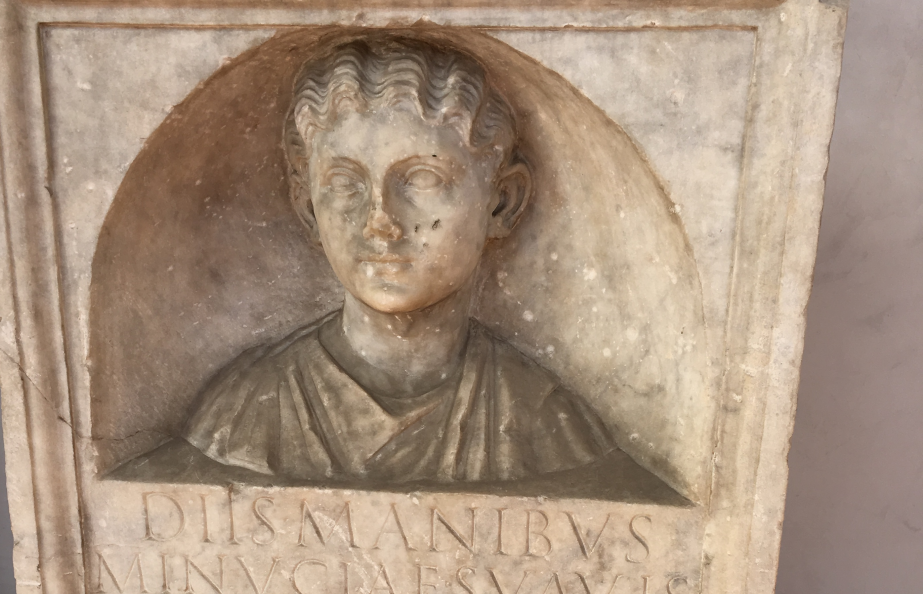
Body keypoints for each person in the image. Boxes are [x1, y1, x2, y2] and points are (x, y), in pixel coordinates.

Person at [122, 34, 675, 498]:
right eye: (345, 184)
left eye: (421, 180)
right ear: (306, 206)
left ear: (501, 202)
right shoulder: (239, 418)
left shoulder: (546, 424)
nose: (380, 222)